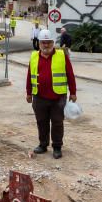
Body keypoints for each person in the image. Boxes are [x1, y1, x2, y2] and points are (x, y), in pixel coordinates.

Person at [27, 29, 77, 159]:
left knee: (57, 123)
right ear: (39, 43)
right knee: (41, 122)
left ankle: (57, 147)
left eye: (48, 42)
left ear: (53, 43)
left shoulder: (62, 55)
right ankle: (43, 145)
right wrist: (29, 93)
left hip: (58, 97)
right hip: (39, 96)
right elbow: (29, 76)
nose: (46, 45)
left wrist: (73, 92)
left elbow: (70, 75)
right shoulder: (34, 56)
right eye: (43, 42)